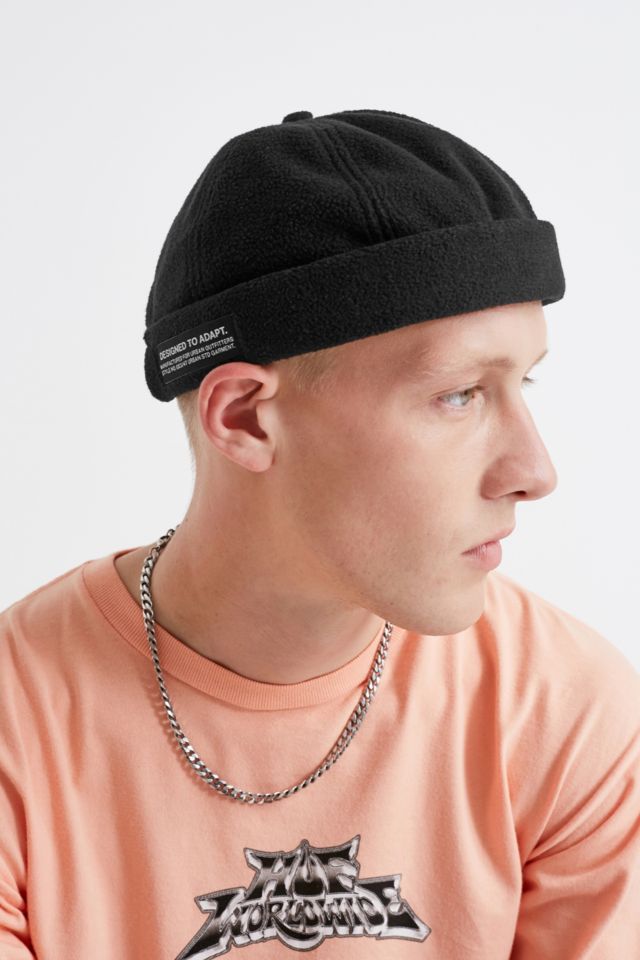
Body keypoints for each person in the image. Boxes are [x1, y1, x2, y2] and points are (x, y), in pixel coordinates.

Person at [1, 109, 638, 959]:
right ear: (246, 418)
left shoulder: (563, 711)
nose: (534, 470)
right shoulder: (19, 724)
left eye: (523, 384)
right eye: (459, 395)